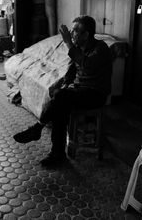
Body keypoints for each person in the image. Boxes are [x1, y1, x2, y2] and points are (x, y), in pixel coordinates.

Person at [13, 15, 113, 167]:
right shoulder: (79, 47)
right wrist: (65, 84)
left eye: (75, 32)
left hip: (96, 94)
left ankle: (40, 131)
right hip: (79, 91)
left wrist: (68, 43)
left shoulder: (101, 48)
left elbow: (86, 65)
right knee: (61, 101)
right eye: (71, 32)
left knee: (62, 98)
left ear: (86, 35)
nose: (72, 35)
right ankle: (56, 151)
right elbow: (72, 71)